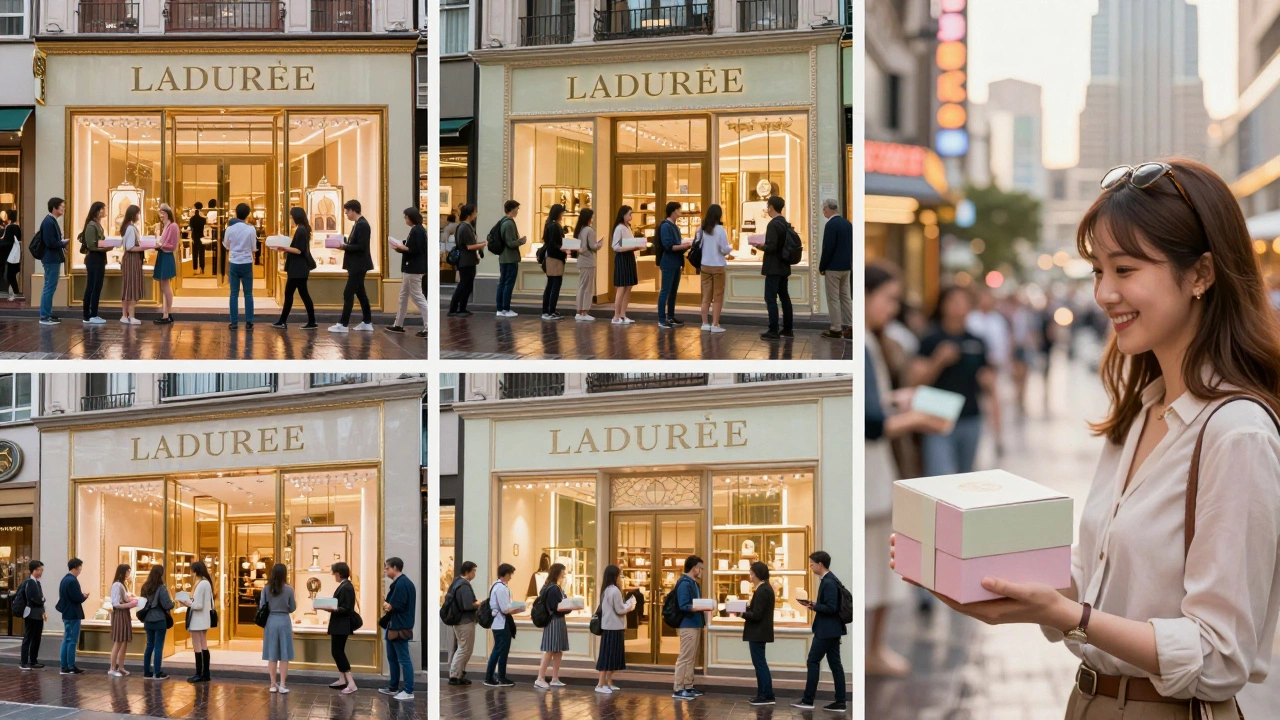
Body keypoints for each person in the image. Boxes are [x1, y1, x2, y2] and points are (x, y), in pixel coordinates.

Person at [894, 158, 1280, 718]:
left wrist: (1067, 616)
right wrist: (976, 569)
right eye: (1098, 270)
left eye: (1124, 270)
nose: (1103, 293)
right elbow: (1096, 581)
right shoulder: (1140, 411)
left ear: (1200, 274)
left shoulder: (1237, 434)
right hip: (1089, 700)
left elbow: (1218, 654)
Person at [865, 262, 951, 677]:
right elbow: (871, 424)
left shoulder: (873, 341)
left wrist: (900, 400)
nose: (893, 308)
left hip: (877, 475)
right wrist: (916, 418)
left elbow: (873, 408)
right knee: (878, 567)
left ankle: (872, 650)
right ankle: (871, 651)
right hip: (872, 476)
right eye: (888, 298)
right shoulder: (865, 343)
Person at [912, 286, 998, 476]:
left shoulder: (977, 342)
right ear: (943, 305)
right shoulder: (930, 340)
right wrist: (938, 361)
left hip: (970, 417)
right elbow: (914, 382)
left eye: (964, 302)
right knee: (938, 475)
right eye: (953, 301)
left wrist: (997, 428)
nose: (959, 307)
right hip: (937, 418)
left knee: (965, 477)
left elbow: (991, 384)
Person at [330, 199, 373, 333]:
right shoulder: (358, 224)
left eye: (347, 211)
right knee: (361, 293)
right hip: (357, 264)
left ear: (353, 210)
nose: (346, 214)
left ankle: (343, 324)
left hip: (359, 265)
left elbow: (361, 247)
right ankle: (367, 322)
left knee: (348, 293)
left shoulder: (363, 225)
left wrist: (344, 246)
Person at [271, 207, 317, 329]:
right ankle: (311, 321)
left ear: (296, 217)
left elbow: (299, 250)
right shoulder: (303, 229)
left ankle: (283, 321)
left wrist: (283, 248)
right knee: (303, 294)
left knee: (290, 294)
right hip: (300, 268)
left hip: (298, 268)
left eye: (291, 217)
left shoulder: (300, 230)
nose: (290, 219)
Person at [317, 561, 358, 694]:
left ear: (339, 573)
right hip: (340, 625)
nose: (334, 576)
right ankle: (342, 679)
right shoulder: (346, 586)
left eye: (335, 573)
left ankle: (351, 683)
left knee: (337, 652)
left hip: (341, 625)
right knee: (337, 651)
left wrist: (331, 608)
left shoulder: (346, 587)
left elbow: (346, 609)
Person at [378, 557, 416, 701]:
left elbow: (398, 605)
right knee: (392, 657)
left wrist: (388, 606)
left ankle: (408, 690)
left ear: (395, 567)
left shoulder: (402, 584)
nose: (385, 570)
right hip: (394, 625)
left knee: (403, 659)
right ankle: (393, 686)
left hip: (399, 626)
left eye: (387, 568)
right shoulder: (402, 583)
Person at [738, 562, 776, 705]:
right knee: (760, 663)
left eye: (751, 572)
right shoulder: (765, 588)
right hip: (760, 632)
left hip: (757, 632)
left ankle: (765, 695)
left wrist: (742, 613)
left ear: (756, 573)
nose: (750, 575)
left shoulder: (762, 590)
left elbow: (757, 614)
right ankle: (765, 693)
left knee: (760, 663)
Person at [388, 207, 429, 337]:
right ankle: (398, 324)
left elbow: (413, 249)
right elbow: (414, 246)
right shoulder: (419, 230)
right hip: (412, 268)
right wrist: (402, 245)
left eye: (405, 217)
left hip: (413, 268)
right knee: (403, 295)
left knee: (418, 297)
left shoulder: (416, 230)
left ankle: (429, 326)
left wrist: (400, 247)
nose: (405, 219)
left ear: (411, 217)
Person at [671, 555, 707, 701]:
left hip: (695, 624)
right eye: (701, 568)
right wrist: (703, 606)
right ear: (694, 568)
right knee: (685, 657)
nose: (701, 571)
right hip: (688, 625)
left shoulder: (693, 583)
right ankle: (678, 688)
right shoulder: (685, 583)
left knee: (691, 657)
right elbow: (684, 605)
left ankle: (688, 685)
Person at [760, 195, 794, 340]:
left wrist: (761, 246)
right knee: (784, 297)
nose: (767, 209)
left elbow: (771, 247)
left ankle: (773, 329)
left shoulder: (773, 224)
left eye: (768, 206)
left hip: (773, 267)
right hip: (784, 266)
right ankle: (787, 328)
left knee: (770, 298)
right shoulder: (785, 223)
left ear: (771, 207)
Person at [818, 198, 853, 339]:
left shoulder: (831, 225)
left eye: (824, 209)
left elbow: (828, 248)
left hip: (833, 267)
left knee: (833, 298)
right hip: (846, 267)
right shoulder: (847, 224)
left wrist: (822, 266)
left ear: (829, 209)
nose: (823, 212)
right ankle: (850, 324)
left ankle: (836, 328)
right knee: (845, 297)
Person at [695, 203, 732, 332]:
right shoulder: (720, 230)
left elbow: (697, 245)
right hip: (718, 266)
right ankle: (715, 324)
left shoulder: (702, 228)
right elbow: (724, 249)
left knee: (706, 296)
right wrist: (730, 248)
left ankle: (705, 323)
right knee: (718, 296)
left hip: (705, 265)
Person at [595, 564, 631, 694]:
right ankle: (600, 684)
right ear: (615, 576)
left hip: (609, 626)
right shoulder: (614, 591)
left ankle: (608, 682)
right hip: (613, 627)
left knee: (609, 655)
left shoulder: (607, 590)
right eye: (619, 575)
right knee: (607, 656)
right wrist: (630, 606)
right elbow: (620, 610)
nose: (620, 578)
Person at [260, 563, 296, 693]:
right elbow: (292, 607)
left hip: (271, 621)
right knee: (284, 654)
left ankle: (273, 684)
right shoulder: (289, 589)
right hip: (284, 621)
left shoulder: (266, 589)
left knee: (272, 654)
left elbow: (262, 606)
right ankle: (283, 684)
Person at [533, 562, 570, 689]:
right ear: (558, 573)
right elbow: (556, 607)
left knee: (557, 650)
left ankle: (554, 677)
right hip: (554, 621)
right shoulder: (554, 588)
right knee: (550, 650)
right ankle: (540, 677)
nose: (564, 574)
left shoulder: (549, 586)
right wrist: (570, 606)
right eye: (563, 572)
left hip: (555, 621)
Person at [445, 560, 481, 686]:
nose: (475, 574)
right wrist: (478, 604)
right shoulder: (464, 585)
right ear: (467, 572)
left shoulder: (456, 582)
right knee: (464, 648)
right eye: (473, 571)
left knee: (465, 648)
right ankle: (454, 675)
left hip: (459, 621)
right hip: (464, 621)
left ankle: (459, 674)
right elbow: (467, 605)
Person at [657, 201, 691, 329]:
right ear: (673, 211)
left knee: (673, 292)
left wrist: (684, 246)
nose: (680, 212)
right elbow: (668, 246)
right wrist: (685, 245)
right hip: (668, 262)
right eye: (678, 209)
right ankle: (661, 318)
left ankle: (670, 316)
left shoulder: (674, 226)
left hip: (676, 262)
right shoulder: (666, 226)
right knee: (665, 291)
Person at [177, 559, 213, 683]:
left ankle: (199, 673)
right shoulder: (207, 582)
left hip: (197, 619)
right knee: (203, 644)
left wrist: (186, 603)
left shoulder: (201, 584)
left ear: (195, 571)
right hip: (204, 618)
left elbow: (198, 605)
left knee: (197, 645)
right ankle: (205, 673)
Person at [223, 203, 256, 329]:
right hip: (247, 262)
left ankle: (234, 322)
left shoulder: (230, 229)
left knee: (233, 293)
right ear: (247, 214)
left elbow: (226, 245)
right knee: (248, 293)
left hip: (234, 262)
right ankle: (249, 321)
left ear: (236, 213)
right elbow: (254, 247)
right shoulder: (251, 229)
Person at [138, 564, 173, 680]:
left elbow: (142, 604)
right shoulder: (161, 588)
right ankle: (157, 672)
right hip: (159, 620)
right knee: (158, 647)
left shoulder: (144, 587)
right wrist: (174, 603)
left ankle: (146, 672)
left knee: (149, 646)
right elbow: (167, 604)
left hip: (148, 619)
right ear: (161, 574)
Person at [483, 563, 516, 687]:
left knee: (499, 650)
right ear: (506, 573)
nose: (511, 577)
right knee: (499, 650)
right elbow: (505, 608)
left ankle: (498, 676)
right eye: (510, 574)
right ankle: (493, 677)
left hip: (497, 622)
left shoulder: (494, 586)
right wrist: (517, 608)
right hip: (501, 623)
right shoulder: (501, 588)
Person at [448, 204, 483, 317]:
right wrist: (483, 244)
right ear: (469, 214)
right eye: (474, 212)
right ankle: (455, 308)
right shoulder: (465, 227)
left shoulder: (462, 226)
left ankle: (461, 308)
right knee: (464, 284)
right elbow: (469, 246)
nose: (476, 215)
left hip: (466, 260)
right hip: (466, 260)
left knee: (466, 285)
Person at [55, 557, 88, 675]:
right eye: (79, 569)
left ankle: (64, 666)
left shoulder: (64, 579)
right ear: (75, 568)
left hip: (66, 612)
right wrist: (84, 596)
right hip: (73, 613)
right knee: (72, 640)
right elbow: (77, 597)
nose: (80, 571)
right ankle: (71, 665)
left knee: (66, 639)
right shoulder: (73, 580)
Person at [38, 197, 67, 326]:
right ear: (54, 208)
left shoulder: (50, 221)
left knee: (49, 286)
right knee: (49, 287)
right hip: (51, 259)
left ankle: (47, 313)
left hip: (51, 258)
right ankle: (44, 316)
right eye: (61, 206)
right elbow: (50, 242)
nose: (63, 208)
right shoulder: (49, 222)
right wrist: (62, 243)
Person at [494, 200, 526, 317]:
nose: (517, 211)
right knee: (508, 283)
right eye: (517, 208)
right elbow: (510, 243)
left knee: (502, 282)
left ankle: (500, 308)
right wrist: (521, 241)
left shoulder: (503, 221)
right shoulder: (509, 223)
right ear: (512, 209)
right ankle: (505, 308)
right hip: (510, 258)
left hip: (503, 257)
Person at [108, 563, 139, 677]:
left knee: (124, 641)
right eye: (127, 572)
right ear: (123, 572)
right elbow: (116, 604)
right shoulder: (117, 585)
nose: (129, 574)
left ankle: (120, 667)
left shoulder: (122, 584)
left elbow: (125, 598)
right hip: (120, 615)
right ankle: (112, 668)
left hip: (124, 614)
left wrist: (133, 600)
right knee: (118, 641)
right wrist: (131, 604)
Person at [80, 201, 108, 325]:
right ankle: (89, 315)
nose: (105, 211)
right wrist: (106, 248)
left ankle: (93, 314)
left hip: (99, 259)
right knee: (93, 286)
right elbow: (92, 245)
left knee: (96, 286)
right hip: (94, 259)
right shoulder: (92, 225)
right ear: (98, 211)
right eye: (103, 209)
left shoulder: (97, 224)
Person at [611, 205, 639, 324]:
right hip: (622, 257)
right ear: (623, 215)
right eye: (629, 214)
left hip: (629, 257)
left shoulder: (628, 227)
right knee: (621, 287)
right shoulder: (619, 228)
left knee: (628, 287)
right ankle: (616, 316)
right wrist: (632, 247)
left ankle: (623, 314)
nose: (631, 216)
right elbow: (616, 246)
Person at [540, 204, 568, 321]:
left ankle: (547, 310)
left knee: (550, 284)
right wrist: (563, 248)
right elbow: (554, 244)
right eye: (562, 213)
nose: (563, 215)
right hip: (555, 258)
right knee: (555, 284)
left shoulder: (548, 224)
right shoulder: (555, 226)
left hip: (550, 257)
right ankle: (550, 310)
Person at [572, 209, 601, 321]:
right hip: (589, 261)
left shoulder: (580, 230)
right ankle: (584, 312)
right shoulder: (589, 230)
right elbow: (593, 246)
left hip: (581, 261)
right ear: (589, 218)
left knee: (581, 286)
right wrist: (599, 244)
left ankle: (579, 311)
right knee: (587, 287)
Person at [17, 559, 45, 670]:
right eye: (39, 570)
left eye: (42, 570)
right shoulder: (29, 582)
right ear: (33, 570)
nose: (41, 572)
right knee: (28, 637)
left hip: (38, 614)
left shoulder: (37, 582)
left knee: (37, 637)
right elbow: (33, 598)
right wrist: (42, 599)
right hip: (31, 613)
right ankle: (23, 662)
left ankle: (33, 660)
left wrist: (42, 608)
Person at [152, 204, 178, 324]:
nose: (160, 216)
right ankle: (166, 313)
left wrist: (161, 245)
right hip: (163, 255)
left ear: (167, 213)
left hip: (166, 256)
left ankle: (167, 313)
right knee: (163, 286)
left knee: (166, 286)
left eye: (162, 213)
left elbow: (172, 245)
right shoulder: (166, 226)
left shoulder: (172, 226)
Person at [119, 205, 144, 325]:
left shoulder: (128, 227)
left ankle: (125, 315)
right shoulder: (130, 228)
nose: (139, 216)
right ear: (134, 214)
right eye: (138, 214)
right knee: (132, 286)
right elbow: (130, 247)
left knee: (127, 286)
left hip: (130, 259)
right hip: (132, 259)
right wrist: (144, 246)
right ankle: (131, 316)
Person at [0, 209, 22, 300]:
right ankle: (15, 291)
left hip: (10, 254)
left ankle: (15, 292)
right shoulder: (16, 227)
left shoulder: (10, 227)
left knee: (9, 274)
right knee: (11, 274)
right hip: (14, 254)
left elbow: (7, 241)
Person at [188, 201, 207, 275]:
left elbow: (191, 227)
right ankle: (202, 268)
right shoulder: (203, 219)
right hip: (202, 237)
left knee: (195, 253)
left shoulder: (192, 219)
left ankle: (195, 268)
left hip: (195, 236)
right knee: (202, 253)